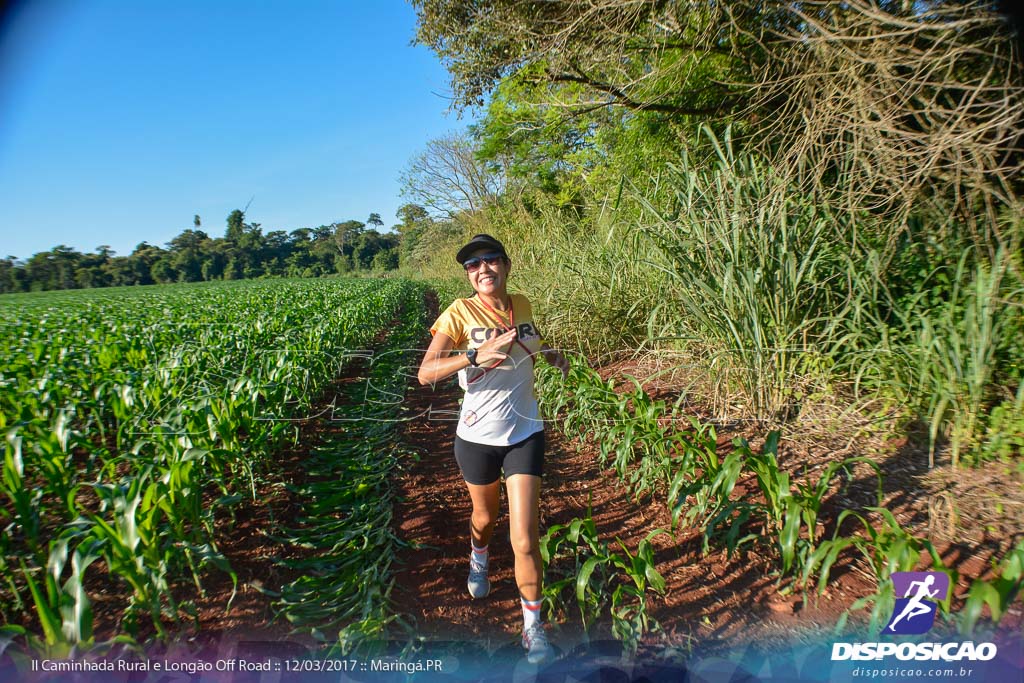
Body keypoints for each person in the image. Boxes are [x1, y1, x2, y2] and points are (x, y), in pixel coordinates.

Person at [417, 233, 569, 665]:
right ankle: (478, 556)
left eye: (490, 260)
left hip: (525, 433)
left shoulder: (522, 303)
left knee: (524, 538)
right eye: (472, 265)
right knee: (484, 519)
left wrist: (552, 354)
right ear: (468, 275)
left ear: (505, 264)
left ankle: (532, 630)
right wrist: (473, 356)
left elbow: (528, 343)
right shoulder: (458, 312)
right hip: (477, 438)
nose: (482, 269)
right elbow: (426, 372)